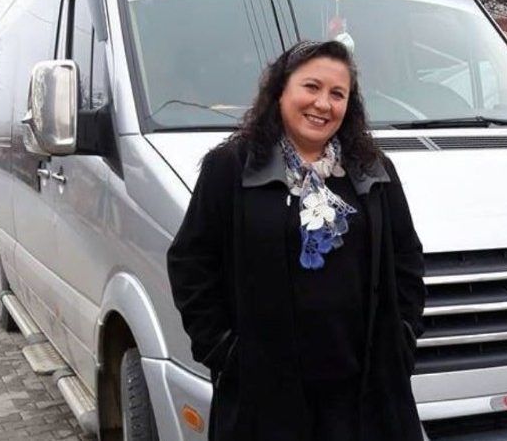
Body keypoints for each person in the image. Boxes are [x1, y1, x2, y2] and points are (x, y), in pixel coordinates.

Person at [167, 40, 426, 441]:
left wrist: (403, 338)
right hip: (266, 396)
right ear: (281, 91)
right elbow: (191, 263)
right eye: (311, 87)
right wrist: (224, 352)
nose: (323, 104)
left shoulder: (371, 170)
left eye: (337, 94)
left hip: (363, 396)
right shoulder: (232, 168)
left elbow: (407, 258)